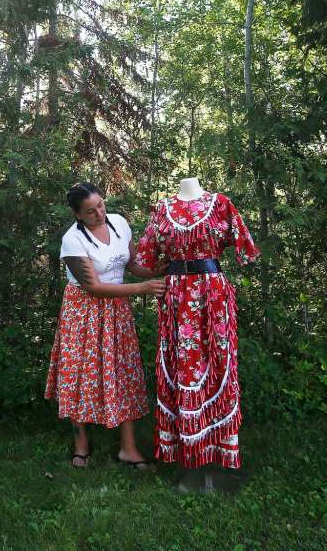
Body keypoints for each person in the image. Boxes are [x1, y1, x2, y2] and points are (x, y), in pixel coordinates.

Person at [136, 177, 259, 470]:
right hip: (176, 295)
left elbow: (245, 249)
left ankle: (217, 450)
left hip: (212, 294)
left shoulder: (221, 205)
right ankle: (187, 450)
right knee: (180, 363)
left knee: (217, 364)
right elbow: (146, 257)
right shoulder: (161, 209)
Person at [44, 182, 167, 469]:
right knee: (78, 374)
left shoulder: (119, 224)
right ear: (78, 215)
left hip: (117, 312)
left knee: (123, 373)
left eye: (101, 205)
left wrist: (157, 270)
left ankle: (128, 447)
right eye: (90, 211)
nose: (99, 213)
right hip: (83, 312)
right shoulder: (72, 240)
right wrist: (143, 288)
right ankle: (81, 443)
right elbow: (95, 288)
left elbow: (132, 264)